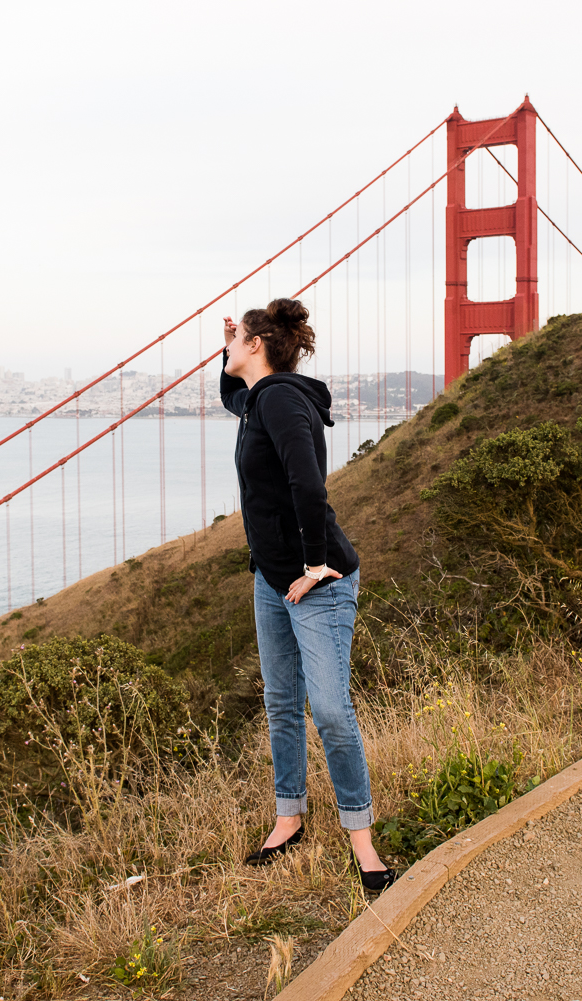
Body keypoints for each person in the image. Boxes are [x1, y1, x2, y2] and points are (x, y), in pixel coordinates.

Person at [219, 298, 394, 892]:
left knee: (329, 710)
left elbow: (307, 483)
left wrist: (316, 564)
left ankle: (363, 842)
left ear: (258, 346)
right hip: (273, 581)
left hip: (317, 584)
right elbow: (230, 396)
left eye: (235, 339)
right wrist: (226, 353)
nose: (229, 346)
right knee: (281, 703)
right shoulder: (257, 398)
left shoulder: (283, 399)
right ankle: (288, 815)